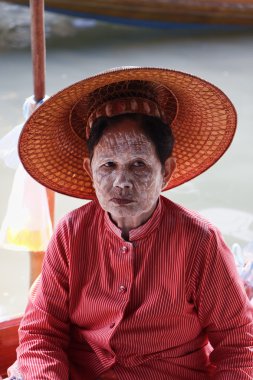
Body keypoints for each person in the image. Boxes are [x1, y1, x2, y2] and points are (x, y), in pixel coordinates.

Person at [8, 67, 253, 379]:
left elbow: (238, 347)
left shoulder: (200, 241)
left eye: (138, 164)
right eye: (108, 165)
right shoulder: (70, 233)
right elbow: (42, 334)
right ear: (89, 169)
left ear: (166, 171)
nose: (121, 182)